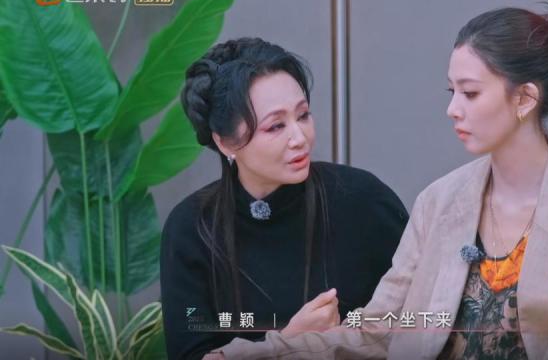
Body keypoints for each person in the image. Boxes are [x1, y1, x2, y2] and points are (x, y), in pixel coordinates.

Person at [213, 4, 548, 359]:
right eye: (451, 92)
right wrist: (255, 353)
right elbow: (378, 331)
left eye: (470, 93)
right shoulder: (440, 202)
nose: (453, 109)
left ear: (525, 98)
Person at [160, 37, 409, 359]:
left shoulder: (363, 199)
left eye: (303, 115)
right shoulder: (191, 228)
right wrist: (290, 341)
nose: (299, 138)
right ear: (225, 142)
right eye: (276, 126)